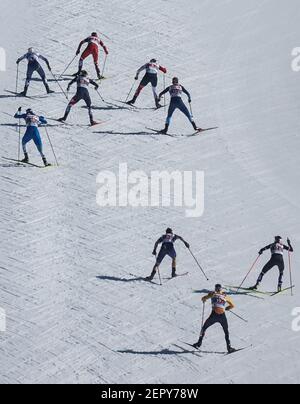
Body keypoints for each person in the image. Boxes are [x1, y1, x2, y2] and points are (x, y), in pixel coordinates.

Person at [193, 284, 236, 354]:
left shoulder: (212, 294)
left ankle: (198, 343)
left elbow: (203, 298)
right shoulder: (225, 295)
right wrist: (227, 308)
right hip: (222, 316)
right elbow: (233, 305)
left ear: (215, 289)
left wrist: (204, 300)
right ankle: (229, 348)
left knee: (204, 327)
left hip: (214, 315)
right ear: (221, 289)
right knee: (226, 331)